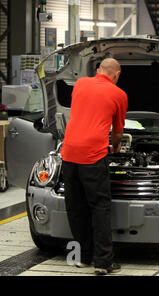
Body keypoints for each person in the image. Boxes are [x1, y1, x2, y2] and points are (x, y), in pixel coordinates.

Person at [61, 58, 128, 275]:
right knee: (100, 207)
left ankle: (81, 257)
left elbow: (82, 113)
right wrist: (116, 146)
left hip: (69, 153)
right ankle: (103, 262)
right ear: (116, 75)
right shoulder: (119, 95)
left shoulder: (80, 83)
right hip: (93, 155)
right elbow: (117, 132)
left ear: (98, 70)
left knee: (76, 206)